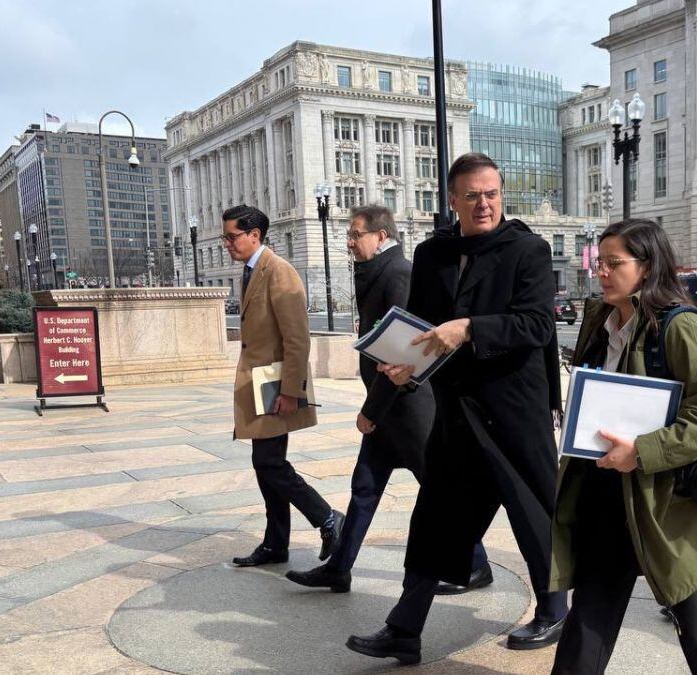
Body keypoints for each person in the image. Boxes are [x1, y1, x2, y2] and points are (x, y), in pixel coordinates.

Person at [346, 153, 568, 665]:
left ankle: (555, 609)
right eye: (472, 196)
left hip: (515, 411)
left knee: (532, 514)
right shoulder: (433, 254)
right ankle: (404, 628)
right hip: (456, 414)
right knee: (434, 520)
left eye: (492, 193)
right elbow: (419, 327)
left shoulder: (528, 250)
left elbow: (537, 325)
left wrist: (469, 328)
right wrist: (402, 368)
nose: (484, 203)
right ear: (453, 200)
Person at [549, 219, 697, 675]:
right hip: (605, 491)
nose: (602, 272)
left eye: (614, 263)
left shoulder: (682, 327)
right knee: (589, 615)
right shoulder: (600, 322)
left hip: (668, 504)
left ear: (648, 266)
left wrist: (642, 451)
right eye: (600, 262)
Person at [285, 205, 490, 594]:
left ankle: (477, 564)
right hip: (389, 410)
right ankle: (339, 568)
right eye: (349, 234)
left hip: (409, 408)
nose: (349, 242)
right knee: (364, 487)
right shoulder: (377, 271)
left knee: (439, 490)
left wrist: (371, 410)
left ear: (381, 236)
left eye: (355, 234)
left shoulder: (398, 273)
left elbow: (401, 351)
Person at [224, 204, 345, 568]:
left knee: (269, 462)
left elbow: (297, 338)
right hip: (261, 384)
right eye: (226, 237)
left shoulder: (279, 271)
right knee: (266, 464)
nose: (227, 243)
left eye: (232, 237)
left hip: (276, 386)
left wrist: (292, 391)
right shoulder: (251, 271)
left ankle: (328, 518)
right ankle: (276, 544)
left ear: (254, 235)